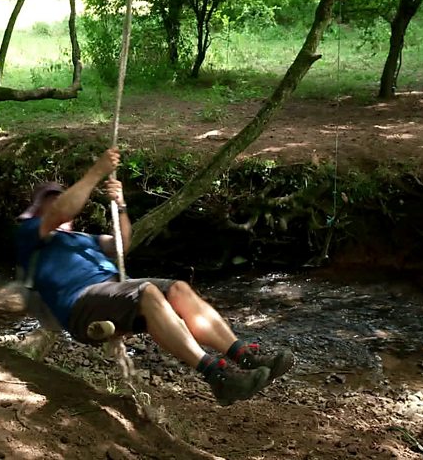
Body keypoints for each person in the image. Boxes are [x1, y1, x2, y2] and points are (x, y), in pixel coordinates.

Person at [15, 147, 294, 406]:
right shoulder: (30, 234)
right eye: (49, 204)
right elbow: (61, 211)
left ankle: (243, 356)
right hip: (81, 305)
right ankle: (217, 376)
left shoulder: (84, 238)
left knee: (178, 290)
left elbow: (121, 245)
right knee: (146, 291)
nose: (57, 207)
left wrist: (121, 206)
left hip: (114, 295)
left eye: (58, 199)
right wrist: (96, 172)